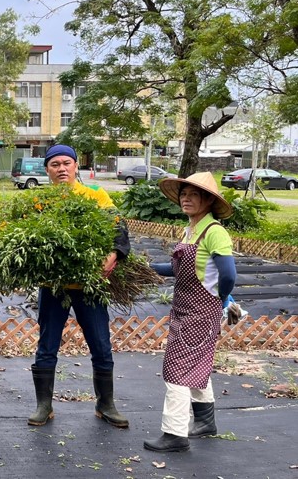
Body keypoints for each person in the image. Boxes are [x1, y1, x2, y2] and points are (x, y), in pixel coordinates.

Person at [28, 144, 130, 429]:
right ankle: (44, 405)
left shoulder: (96, 196)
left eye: (66, 163)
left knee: (101, 344)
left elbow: (119, 229)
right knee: (47, 346)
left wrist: (115, 255)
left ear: (76, 166)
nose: (61, 168)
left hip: (90, 284)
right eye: (55, 164)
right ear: (47, 169)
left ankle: (105, 404)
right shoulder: (39, 201)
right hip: (54, 285)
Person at [143, 172, 238, 453]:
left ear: (208, 200)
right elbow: (177, 269)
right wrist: (146, 269)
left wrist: (221, 299)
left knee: (175, 372)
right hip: (185, 310)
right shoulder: (191, 229)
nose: (186, 198)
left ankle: (174, 434)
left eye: (193, 194)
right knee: (195, 367)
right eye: (183, 193)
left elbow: (229, 275)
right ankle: (206, 422)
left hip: (200, 313)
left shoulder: (214, 232)